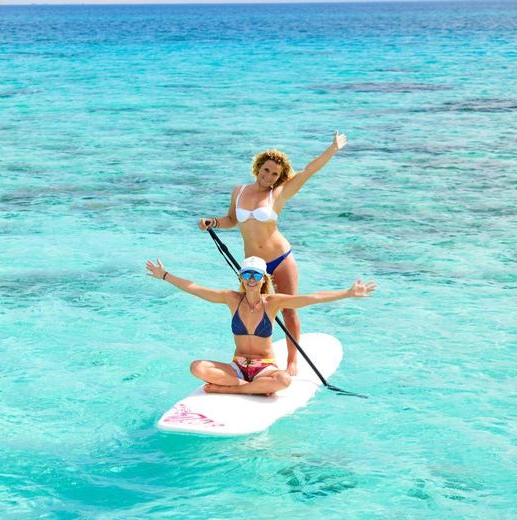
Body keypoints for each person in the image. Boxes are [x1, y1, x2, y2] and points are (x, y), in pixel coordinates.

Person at [197, 132, 348, 376]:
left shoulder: (277, 194)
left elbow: (308, 172)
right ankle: (251, 359)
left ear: (280, 177)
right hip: (254, 266)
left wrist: (333, 149)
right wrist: (212, 222)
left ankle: (292, 362)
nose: (268, 177)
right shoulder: (239, 191)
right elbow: (232, 220)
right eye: (265, 170)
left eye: (274, 174)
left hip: (280, 259)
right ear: (258, 167)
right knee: (252, 310)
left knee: (288, 309)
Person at [145, 255, 374, 395]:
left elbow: (312, 298)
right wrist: (165, 275)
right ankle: (244, 387)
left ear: (264, 278)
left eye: (256, 275)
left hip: (264, 369)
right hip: (237, 368)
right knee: (197, 367)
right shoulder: (231, 299)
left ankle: (232, 389)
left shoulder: (272, 302)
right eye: (247, 275)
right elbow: (195, 288)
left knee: (283, 380)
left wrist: (348, 293)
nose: (251, 280)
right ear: (241, 278)